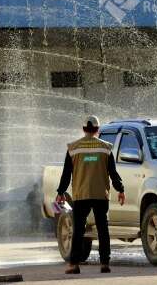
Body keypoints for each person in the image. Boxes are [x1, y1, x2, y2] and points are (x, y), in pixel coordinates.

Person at [56, 115, 125, 274]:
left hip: (81, 195)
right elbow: (113, 173)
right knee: (103, 230)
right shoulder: (106, 148)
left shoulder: (73, 148)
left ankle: (74, 264)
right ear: (97, 130)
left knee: (78, 230)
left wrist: (60, 192)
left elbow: (66, 174)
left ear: (83, 129)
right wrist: (120, 190)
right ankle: (105, 264)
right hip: (101, 194)